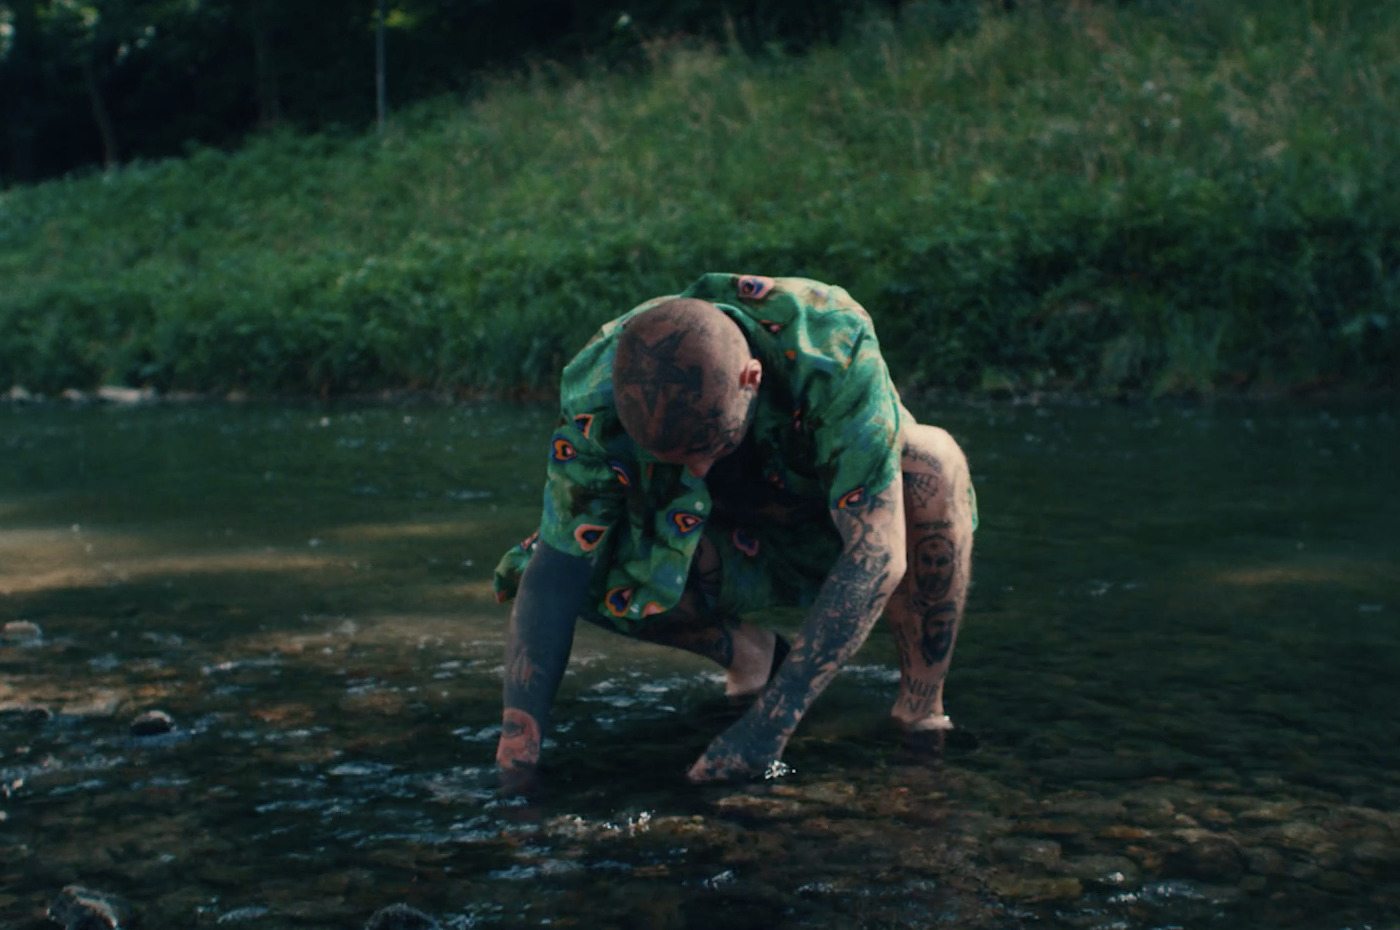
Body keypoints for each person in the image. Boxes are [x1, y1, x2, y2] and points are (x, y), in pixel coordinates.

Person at [491, 273, 977, 787]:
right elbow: (555, 572)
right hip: (709, 529)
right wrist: (516, 755)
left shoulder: (830, 342)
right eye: (676, 459)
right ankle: (754, 657)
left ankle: (920, 712)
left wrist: (764, 731)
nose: (696, 470)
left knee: (930, 462)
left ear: (752, 377)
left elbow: (877, 553)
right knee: (545, 567)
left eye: (709, 447)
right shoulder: (596, 387)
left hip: (830, 519)